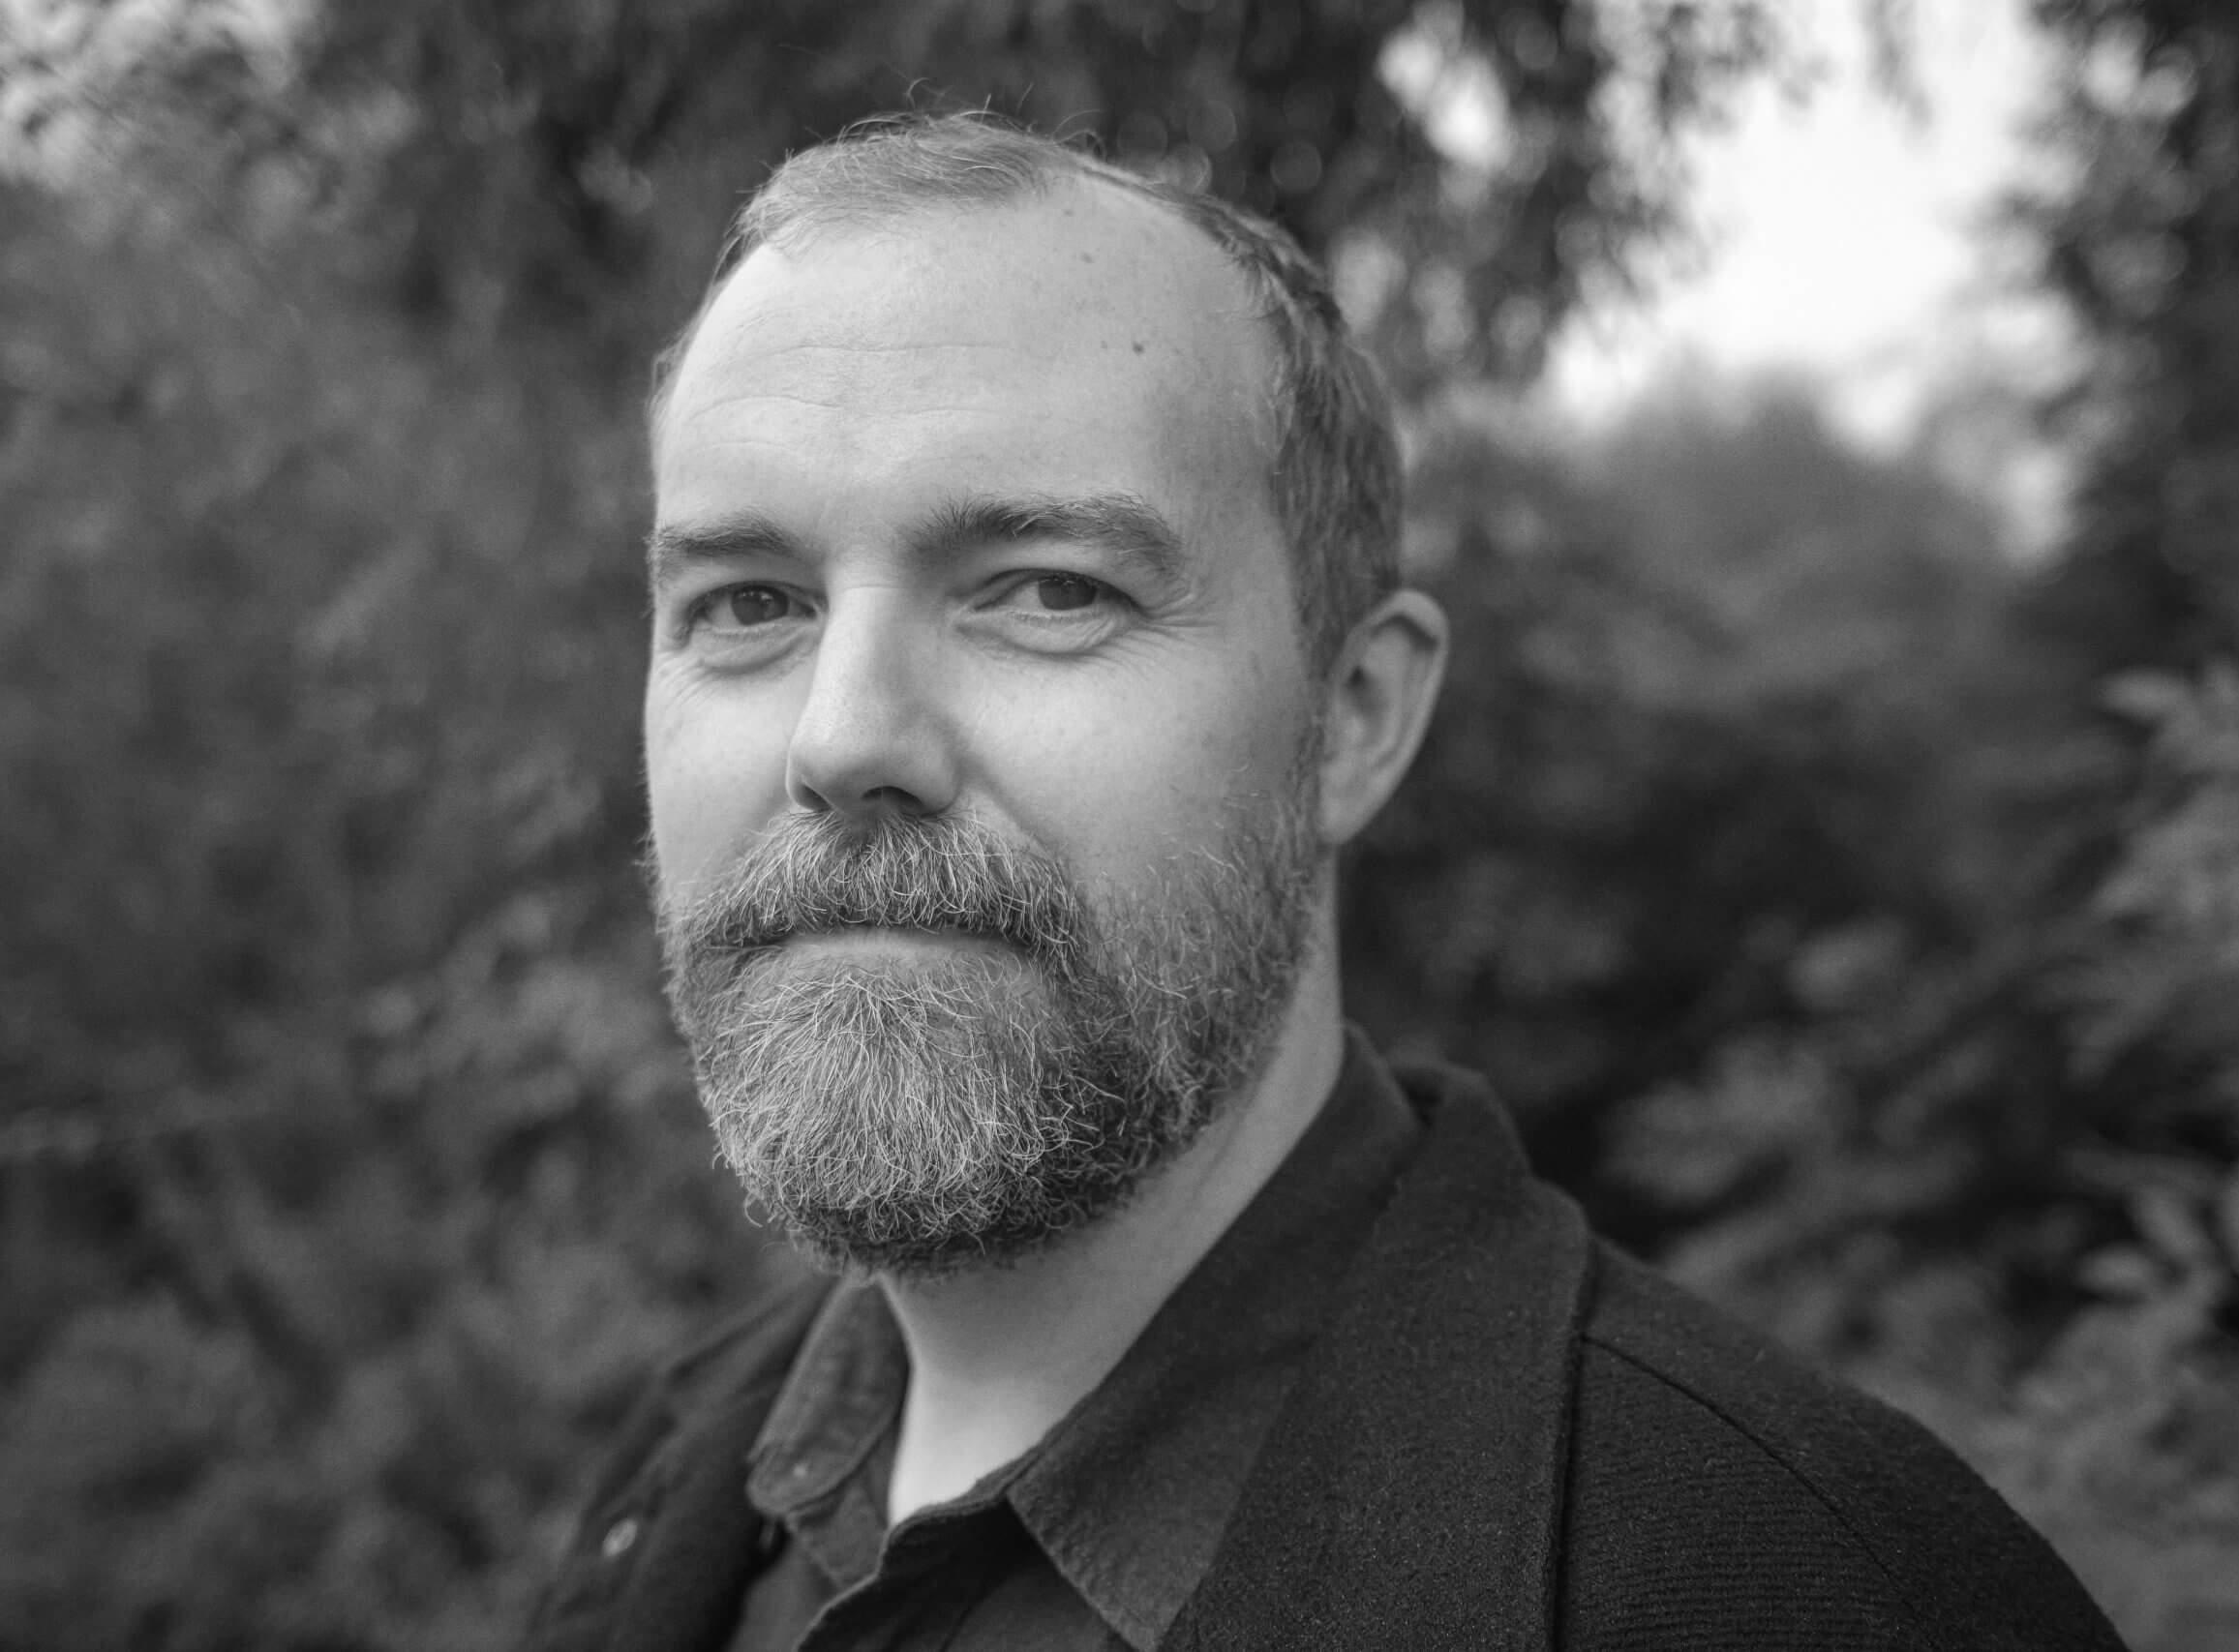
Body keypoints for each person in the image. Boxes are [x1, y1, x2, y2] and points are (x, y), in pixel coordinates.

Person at [528, 114, 2127, 1652]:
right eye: (746, 603)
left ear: (1351, 720)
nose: (844, 737)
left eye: (1043, 591)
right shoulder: (679, 1487)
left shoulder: (1822, 1595)